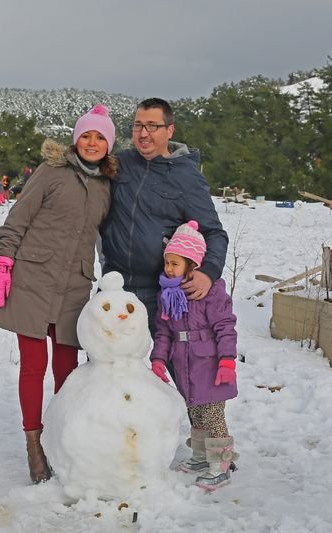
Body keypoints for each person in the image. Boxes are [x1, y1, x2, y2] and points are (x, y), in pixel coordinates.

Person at [0, 104, 116, 483]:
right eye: (86, 135)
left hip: (74, 286)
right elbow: (18, 218)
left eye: (100, 137)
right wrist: (2, 263)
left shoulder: (107, 186)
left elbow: (107, 238)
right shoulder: (52, 172)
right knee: (33, 365)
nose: (92, 142)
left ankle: (62, 438)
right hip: (33, 279)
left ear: (109, 145)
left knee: (66, 370)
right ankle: (34, 443)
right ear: (76, 139)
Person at [100, 97, 229, 381]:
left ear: (170, 130)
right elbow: (84, 164)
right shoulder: (120, 164)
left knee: (186, 371)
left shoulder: (186, 176)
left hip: (163, 290)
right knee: (106, 370)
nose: (143, 134)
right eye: (138, 126)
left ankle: (203, 413)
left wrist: (208, 272)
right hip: (115, 285)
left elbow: (214, 232)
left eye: (152, 126)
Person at [149, 220, 239, 490]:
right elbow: (163, 332)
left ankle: (221, 465)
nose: (168, 268)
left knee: (212, 415)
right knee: (196, 412)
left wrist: (227, 361)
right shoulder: (167, 294)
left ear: (192, 265)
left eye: (175, 263)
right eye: (167, 263)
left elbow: (225, 327)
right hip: (184, 363)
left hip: (210, 364)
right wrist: (158, 359)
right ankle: (201, 457)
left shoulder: (211, 292)